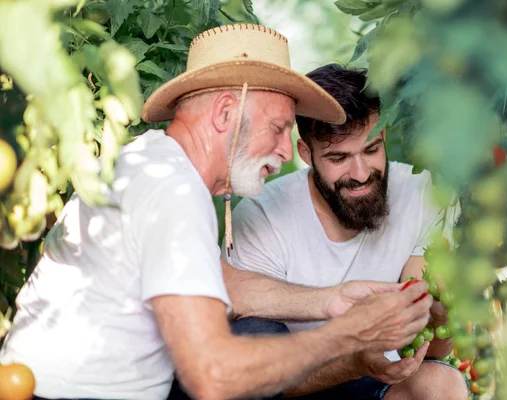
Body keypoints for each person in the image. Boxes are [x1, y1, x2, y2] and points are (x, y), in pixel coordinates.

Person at [0, 25, 435, 400]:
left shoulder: (153, 163)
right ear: (227, 112)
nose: (286, 152)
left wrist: (331, 300)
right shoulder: (171, 191)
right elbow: (215, 374)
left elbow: (221, 283)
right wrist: (351, 337)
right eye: (279, 128)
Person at [225, 64, 468, 399]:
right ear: (307, 154)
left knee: (439, 384)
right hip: (286, 381)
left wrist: (440, 315)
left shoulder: (422, 193)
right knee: (251, 334)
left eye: (371, 150)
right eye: (338, 158)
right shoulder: (262, 215)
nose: (360, 173)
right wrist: (352, 360)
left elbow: (431, 346)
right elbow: (244, 371)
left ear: (384, 136)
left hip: (375, 381)